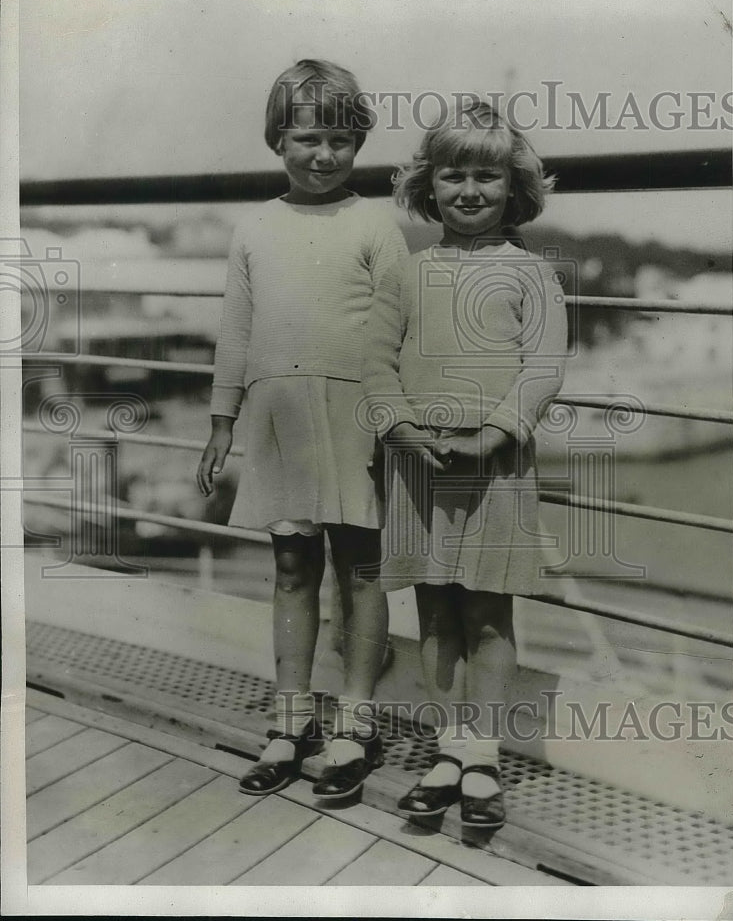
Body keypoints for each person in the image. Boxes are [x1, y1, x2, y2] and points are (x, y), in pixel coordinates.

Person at [197, 59, 408, 800]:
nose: (325, 156)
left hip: (356, 416)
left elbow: (394, 330)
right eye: (310, 138)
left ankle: (355, 721)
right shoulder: (254, 226)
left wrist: (393, 422)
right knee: (292, 569)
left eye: (342, 141)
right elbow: (236, 328)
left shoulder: (376, 222)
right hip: (278, 415)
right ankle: (290, 720)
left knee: (362, 569)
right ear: (276, 138)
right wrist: (222, 418)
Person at [362, 99, 567, 826]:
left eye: (487, 176)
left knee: (485, 614)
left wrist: (496, 432)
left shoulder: (531, 274)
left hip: (495, 467)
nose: (470, 191)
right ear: (428, 186)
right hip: (417, 465)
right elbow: (375, 361)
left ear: (512, 187)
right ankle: (449, 746)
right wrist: (397, 428)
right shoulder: (408, 272)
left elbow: (542, 367)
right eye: (453, 176)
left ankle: (482, 757)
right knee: (435, 611)